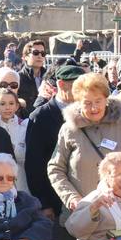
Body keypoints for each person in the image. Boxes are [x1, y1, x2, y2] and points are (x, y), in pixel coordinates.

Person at [49, 72, 121, 216]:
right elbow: (55, 168)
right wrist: (71, 197)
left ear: (106, 99)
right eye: (87, 103)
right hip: (82, 212)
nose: (94, 108)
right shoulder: (69, 129)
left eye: (98, 101)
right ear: (77, 102)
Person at [24, 64, 82, 221]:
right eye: (78, 85)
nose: (83, 90)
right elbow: (34, 164)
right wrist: (44, 203)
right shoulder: (40, 116)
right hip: (54, 199)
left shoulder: (87, 113)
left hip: (84, 196)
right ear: (61, 84)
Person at [0, 88, 28, 174]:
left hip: (21, 180)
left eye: (11, 103)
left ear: (17, 106)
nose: (7, 108)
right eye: (2, 104)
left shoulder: (25, 126)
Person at [17, 40, 49, 109]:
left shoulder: (49, 77)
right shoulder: (18, 78)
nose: (40, 56)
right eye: (35, 53)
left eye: (43, 53)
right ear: (25, 56)